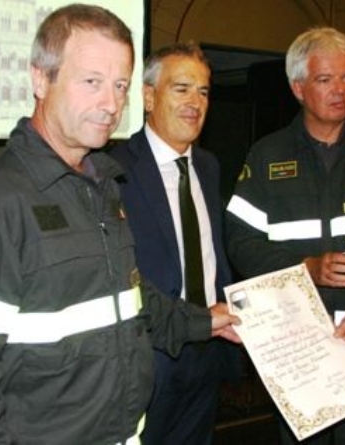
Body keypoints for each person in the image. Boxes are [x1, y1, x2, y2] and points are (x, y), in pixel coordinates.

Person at [0, 5, 239, 444]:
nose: (111, 104)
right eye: (92, 82)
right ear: (39, 79)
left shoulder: (100, 186)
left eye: (120, 85)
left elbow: (129, 298)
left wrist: (205, 322)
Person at [225, 26, 345, 445]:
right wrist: (305, 268)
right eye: (325, 79)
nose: (340, 90)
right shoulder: (266, 157)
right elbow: (240, 244)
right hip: (297, 341)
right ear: (298, 87)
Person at [110, 43, 237, 445]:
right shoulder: (114, 171)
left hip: (208, 348)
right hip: (149, 354)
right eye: (181, 89)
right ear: (149, 97)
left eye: (203, 92)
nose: (195, 102)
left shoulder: (209, 165)